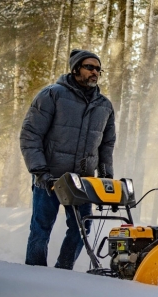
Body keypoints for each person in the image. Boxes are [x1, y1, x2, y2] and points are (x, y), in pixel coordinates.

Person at [19, 49, 117, 269]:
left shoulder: (104, 106)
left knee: (82, 228)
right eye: (90, 67)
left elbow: (106, 145)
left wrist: (106, 177)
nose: (95, 72)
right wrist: (40, 171)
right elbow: (30, 135)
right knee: (41, 227)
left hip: (83, 181)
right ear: (75, 69)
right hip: (50, 177)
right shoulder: (52, 94)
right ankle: (33, 273)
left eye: (98, 69)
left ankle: (63, 272)